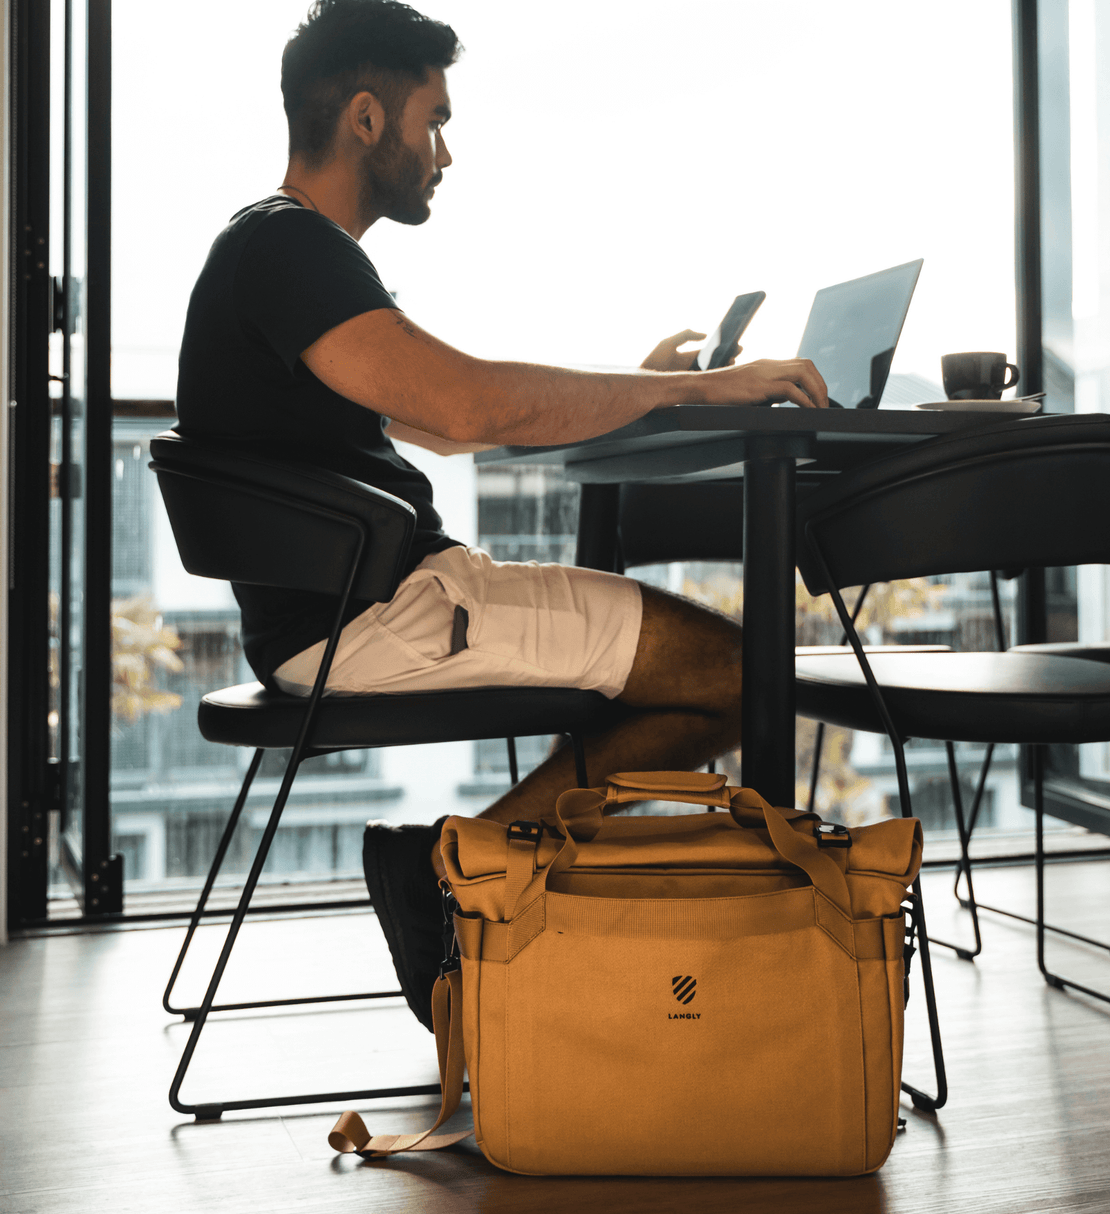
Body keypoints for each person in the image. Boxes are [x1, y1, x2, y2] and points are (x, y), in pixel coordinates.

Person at [175, 0, 827, 1028]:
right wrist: (700, 389)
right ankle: (459, 874)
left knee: (715, 679)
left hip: (361, 609)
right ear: (364, 119)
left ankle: (473, 883)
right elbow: (469, 407)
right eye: (432, 119)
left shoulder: (280, 252)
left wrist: (632, 383)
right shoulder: (290, 251)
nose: (445, 150)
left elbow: (441, 427)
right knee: (743, 676)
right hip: (379, 614)